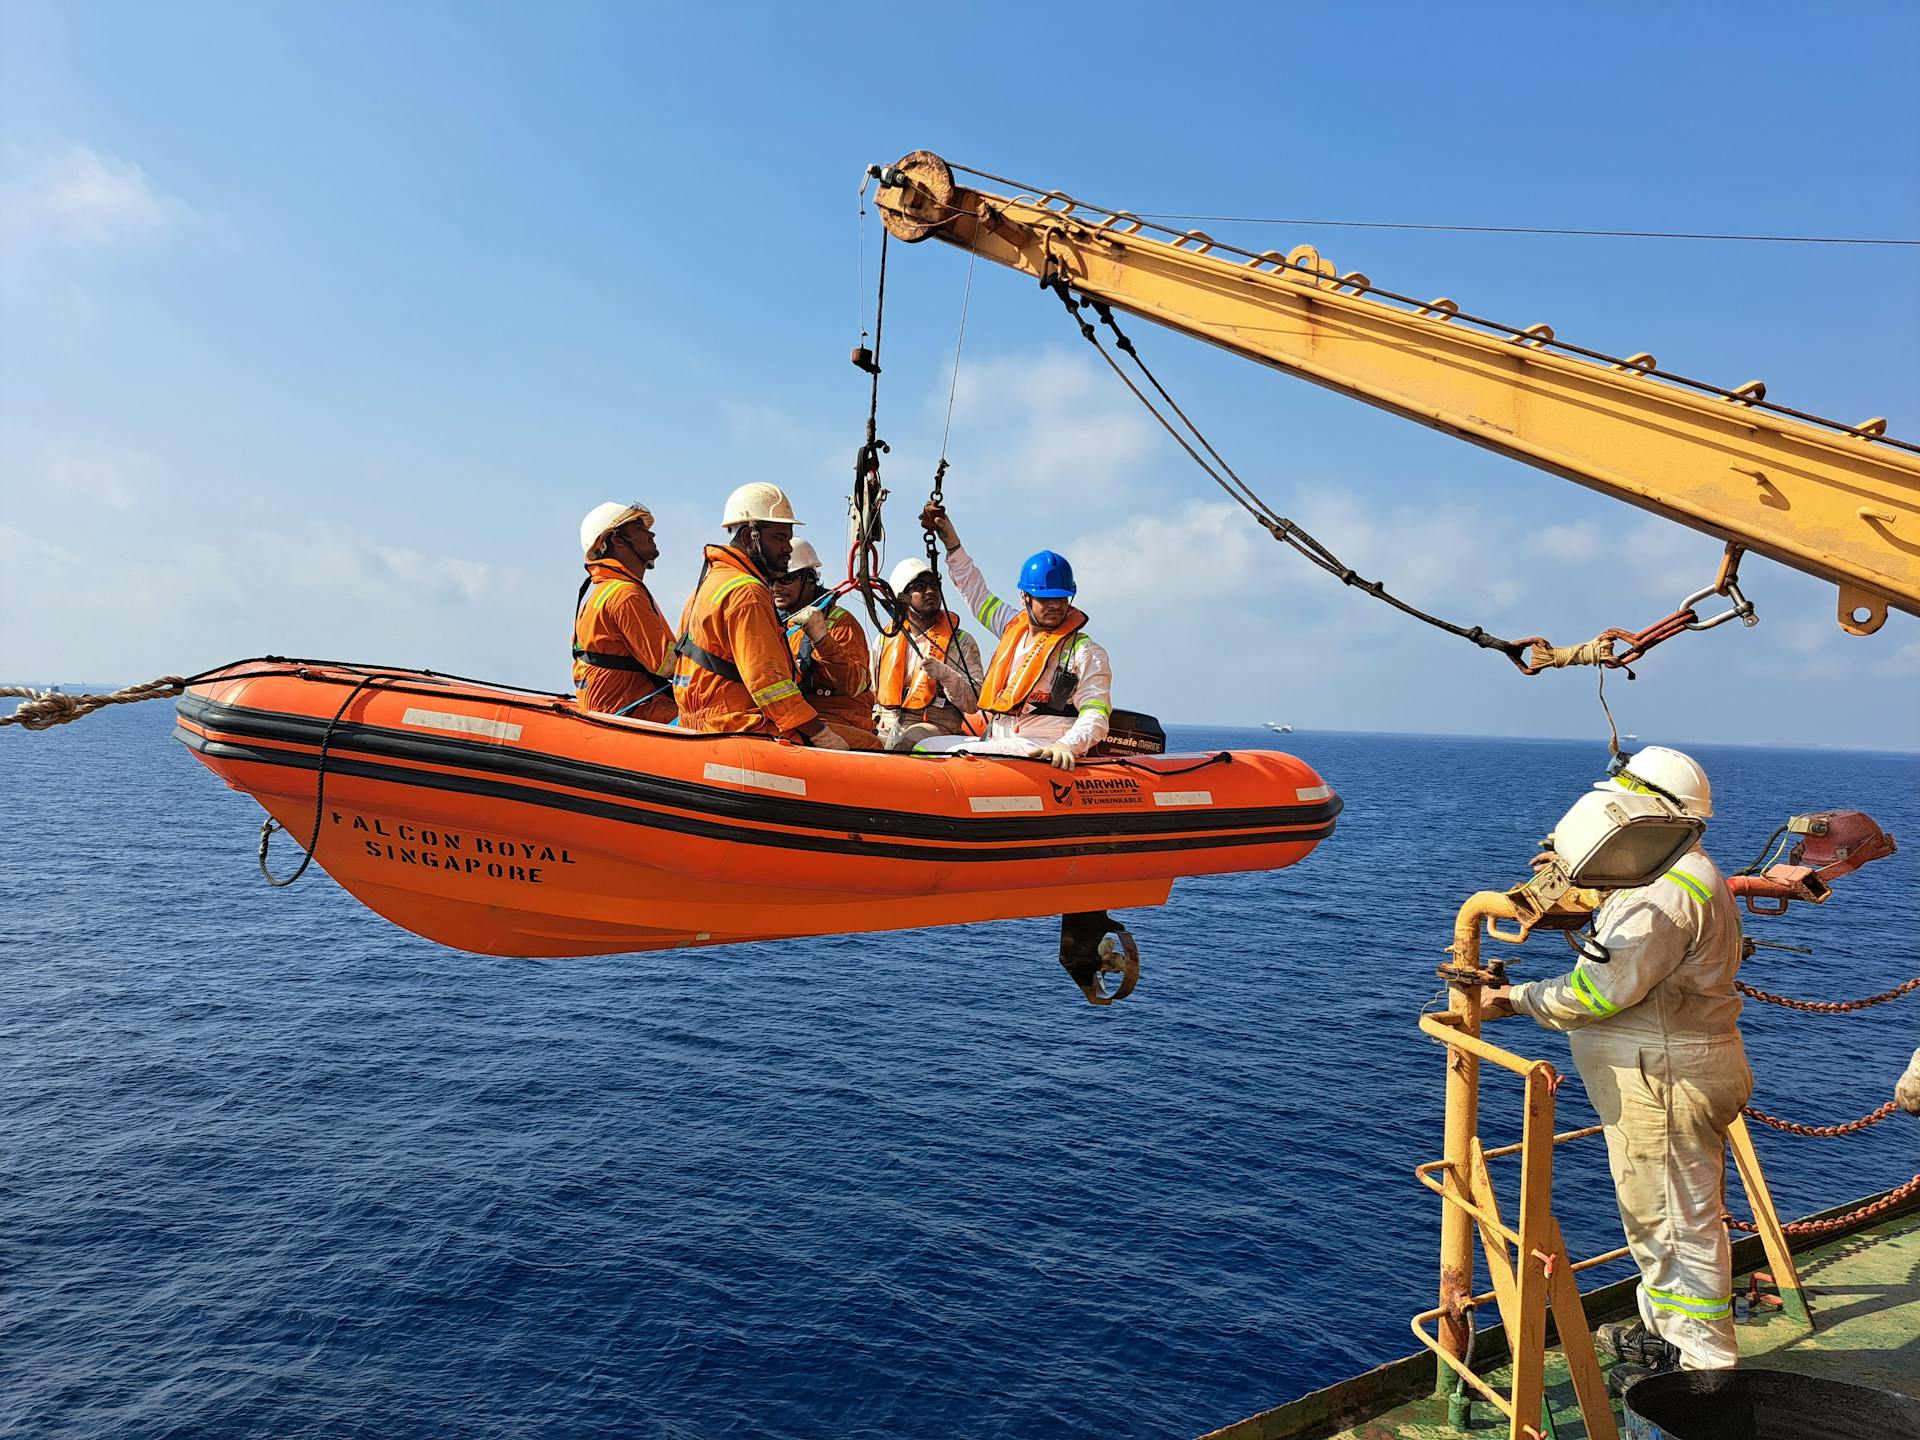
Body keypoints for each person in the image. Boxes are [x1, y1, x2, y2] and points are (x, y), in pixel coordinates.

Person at [1483, 746, 1751, 1387]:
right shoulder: (1677, 874)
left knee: (1674, 1223)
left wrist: (1514, 999)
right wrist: (1593, 879)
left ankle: (1705, 1365)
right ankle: (1665, 1335)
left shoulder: (1659, 895)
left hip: (1663, 1081)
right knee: (1660, 1214)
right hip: (1673, 1070)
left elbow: (1599, 992)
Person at [912, 502, 1112, 771]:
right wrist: (951, 541)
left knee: (941, 756)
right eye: (1045, 599)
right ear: (1025, 597)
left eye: (1061, 598)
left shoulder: (1085, 651)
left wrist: (1068, 745)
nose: (1055, 606)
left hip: (1039, 745)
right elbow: (976, 594)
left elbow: (1096, 711)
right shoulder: (1011, 626)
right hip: (999, 738)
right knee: (924, 747)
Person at [671, 483, 849, 749]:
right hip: (740, 726)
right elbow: (771, 685)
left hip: (699, 724)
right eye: (779, 538)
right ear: (748, 538)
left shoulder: (706, 586)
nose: (788, 548)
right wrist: (820, 732)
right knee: (870, 745)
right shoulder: (748, 592)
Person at [769, 540, 883, 750]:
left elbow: (855, 684)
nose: (776, 588)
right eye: (771, 580)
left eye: (785, 579)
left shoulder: (840, 622)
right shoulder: (777, 624)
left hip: (842, 718)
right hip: (801, 716)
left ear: (809, 580)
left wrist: (821, 639)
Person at [572, 501, 676, 722]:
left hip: (617, 708)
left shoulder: (602, 592)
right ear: (618, 541)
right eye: (639, 529)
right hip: (635, 711)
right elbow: (667, 665)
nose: (651, 534)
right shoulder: (625, 595)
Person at [871, 555, 985, 752]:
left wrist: (946, 675)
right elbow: (872, 693)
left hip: (937, 726)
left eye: (934, 585)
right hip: (888, 726)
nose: (930, 591)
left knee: (910, 739)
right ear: (903, 598)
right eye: (920, 587)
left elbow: (973, 703)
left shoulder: (962, 643)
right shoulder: (884, 640)